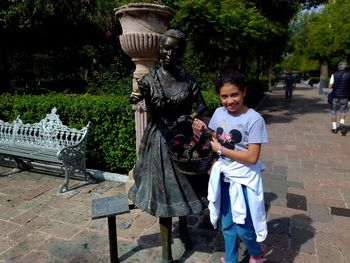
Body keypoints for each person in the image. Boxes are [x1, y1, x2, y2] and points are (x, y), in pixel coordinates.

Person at [128, 29, 208, 263]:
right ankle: (166, 253)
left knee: (183, 191)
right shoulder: (148, 81)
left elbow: (203, 107)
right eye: (167, 47)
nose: (171, 53)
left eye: (176, 49)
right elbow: (135, 97)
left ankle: (184, 231)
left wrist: (190, 117)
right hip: (160, 143)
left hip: (182, 143)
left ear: (182, 52)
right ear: (160, 49)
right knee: (164, 197)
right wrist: (136, 97)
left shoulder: (189, 79)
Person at [192, 69, 268, 263]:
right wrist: (204, 130)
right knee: (226, 224)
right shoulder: (219, 112)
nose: (229, 101)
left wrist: (220, 151)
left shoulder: (254, 119)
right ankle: (232, 259)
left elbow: (252, 157)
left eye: (234, 94)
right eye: (224, 96)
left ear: (243, 92)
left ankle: (256, 252)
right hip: (224, 177)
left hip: (244, 179)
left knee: (243, 226)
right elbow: (218, 137)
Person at [328, 61, 350, 135]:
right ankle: (341, 123)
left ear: (338, 67)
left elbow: (330, 86)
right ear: (346, 67)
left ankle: (334, 129)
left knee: (334, 111)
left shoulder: (334, 74)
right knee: (343, 111)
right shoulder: (349, 74)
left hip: (335, 96)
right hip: (345, 96)